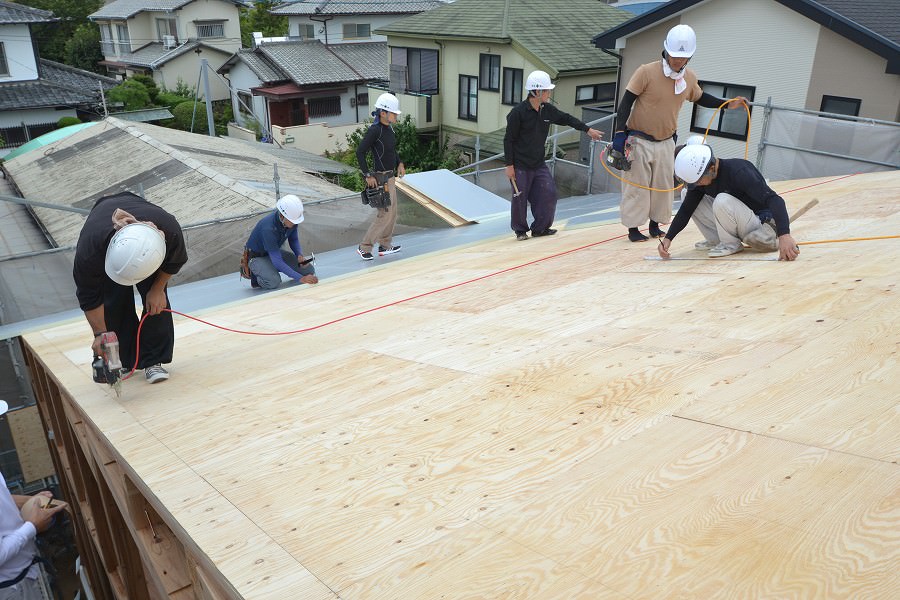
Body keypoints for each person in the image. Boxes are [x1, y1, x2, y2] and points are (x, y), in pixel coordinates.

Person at [611, 24, 748, 242]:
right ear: (666, 51)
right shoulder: (646, 72)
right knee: (636, 186)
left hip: (666, 141)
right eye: (674, 56)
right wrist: (619, 133)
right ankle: (634, 229)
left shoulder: (689, 78)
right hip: (638, 138)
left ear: (689, 57)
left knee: (663, 186)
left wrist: (727, 103)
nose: (677, 61)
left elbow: (701, 97)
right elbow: (626, 102)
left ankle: (655, 225)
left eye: (682, 58)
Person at [73, 191, 188, 384]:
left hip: (146, 243)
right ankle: (126, 359)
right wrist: (100, 334)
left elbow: (175, 261)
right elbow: (89, 296)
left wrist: (157, 289)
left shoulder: (169, 231)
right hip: (108, 243)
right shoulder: (90, 252)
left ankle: (154, 360)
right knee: (113, 301)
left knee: (156, 305)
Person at [504, 70, 604, 241]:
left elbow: (566, 118)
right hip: (520, 165)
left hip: (538, 163)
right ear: (537, 92)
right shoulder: (518, 113)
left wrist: (587, 129)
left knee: (548, 194)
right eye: (547, 91)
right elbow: (509, 140)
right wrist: (509, 165)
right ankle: (520, 230)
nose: (549, 94)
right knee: (519, 199)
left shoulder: (546, 110)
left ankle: (540, 229)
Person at [658, 143, 800, 260]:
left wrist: (784, 235)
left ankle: (731, 245)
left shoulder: (739, 172)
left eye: (699, 181)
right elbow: (686, 210)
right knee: (685, 194)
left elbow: (775, 200)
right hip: (736, 219)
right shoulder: (702, 178)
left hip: (758, 221)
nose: (698, 184)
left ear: (712, 168)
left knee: (721, 200)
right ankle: (717, 240)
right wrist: (668, 239)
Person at [0, 401, 66, 597]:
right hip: (14, 589)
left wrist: (30, 500)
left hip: (25, 573)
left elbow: (3, 498)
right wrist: (32, 526)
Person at [356, 93, 405, 261]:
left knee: (392, 213)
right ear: (383, 113)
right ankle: (365, 247)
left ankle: (385, 245)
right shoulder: (375, 130)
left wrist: (399, 163)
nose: (396, 115)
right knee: (384, 214)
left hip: (390, 177)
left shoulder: (389, 129)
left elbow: (392, 150)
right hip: (380, 179)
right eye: (393, 112)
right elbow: (360, 152)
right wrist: (367, 175)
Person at [242, 195, 318, 289]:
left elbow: (293, 239)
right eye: (293, 221)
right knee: (273, 282)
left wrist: (299, 255)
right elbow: (277, 261)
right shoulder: (268, 228)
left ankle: (270, 269)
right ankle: (258, 275)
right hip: (257, 257)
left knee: (309, 270)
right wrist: (301, 278)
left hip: (273, 253)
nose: (295, 223)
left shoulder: (291, 220)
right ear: (282, 216)